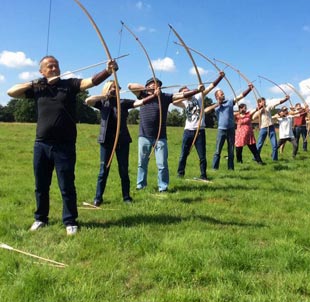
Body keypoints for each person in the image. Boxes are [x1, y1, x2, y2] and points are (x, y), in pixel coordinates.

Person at [7, 55, 117, 235]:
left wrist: (107, 71)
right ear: (42, 71)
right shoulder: (38, 88)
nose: (54, 68)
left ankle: (70, 221)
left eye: (56, 65)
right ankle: (40, 218)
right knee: (41, 185)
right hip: (41, 145)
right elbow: (11, 92)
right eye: (49, 66)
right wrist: (34, 83)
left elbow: (89, 82)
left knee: (66, 185)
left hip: (64, 145)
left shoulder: (69, 85)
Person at [85, 80, 158, 206]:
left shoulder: (123, 102)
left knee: (123, 170)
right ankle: (98, 198)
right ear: (107, 88)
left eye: (117, 88)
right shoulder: (102, 102)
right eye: (113, 87)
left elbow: (138, 102)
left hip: (122, 140)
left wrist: (153, 95)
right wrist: (105, 96)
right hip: (106, 141)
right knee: (104, 170)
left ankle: (126, 197)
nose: (115, 89)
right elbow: (88, 100)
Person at [128, 77, 203, 192]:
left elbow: (181, 96)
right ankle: (140, 185)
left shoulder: (165, 97)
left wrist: (197, 90)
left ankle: (163, 187)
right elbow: (130, 86)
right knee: (142, 163)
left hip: (160, 136)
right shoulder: (142, 95)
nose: (156, 85)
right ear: (147, 86)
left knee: (162, 163)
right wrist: (150, 90)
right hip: (144, 135)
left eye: (158, 84)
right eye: (153, 84)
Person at [173, 72, 225, 181]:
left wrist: (220, 77)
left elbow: (211, 87)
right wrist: (184, 95)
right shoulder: (183, 102)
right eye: (185, 92)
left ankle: (203, 175)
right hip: (188, 131)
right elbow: (173, 101)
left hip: (199, 131)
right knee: (183, 154)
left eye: (188, 90)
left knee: (202, 156)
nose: (188, 92)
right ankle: (180, 174)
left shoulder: (198, 96)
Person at [205, 83, 254, 170]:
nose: (223, 94)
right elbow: (206, 111)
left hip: (231, 130)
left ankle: (230, 168)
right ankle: (214, 168)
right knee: (217, 151)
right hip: (221, 130)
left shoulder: (230, 102)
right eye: (221, 94)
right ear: (216, 97)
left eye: (223, 93)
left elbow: (241, 96)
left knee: (231, 150)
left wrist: (249, 89)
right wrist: (217, 104)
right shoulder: (216, 107)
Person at [252, 95, 290, 161]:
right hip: (263, 128)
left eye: (264, 101)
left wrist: (285, 99)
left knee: (274, 145)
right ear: (259, 103)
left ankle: (275, 159)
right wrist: (260, 110)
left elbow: (277, 103)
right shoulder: (258, 110)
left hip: (271, 127)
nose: (264, 102)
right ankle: (256, 157)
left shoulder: (268, 107)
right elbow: (253, 117)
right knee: (259, 144)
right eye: (262, 102)